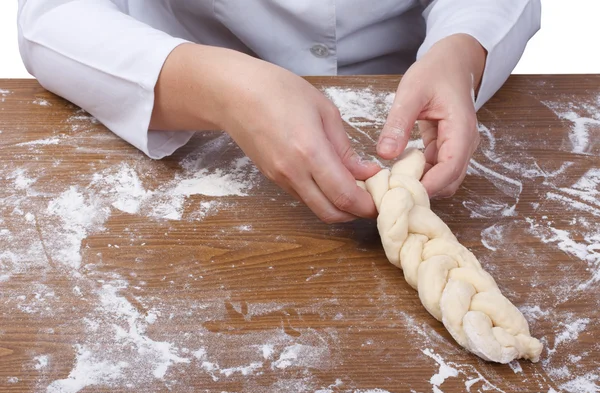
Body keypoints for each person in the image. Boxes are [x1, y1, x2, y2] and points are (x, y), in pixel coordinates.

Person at [17, 0, 541, 223]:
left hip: (410, 86)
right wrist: (220, 88)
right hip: (193, 95)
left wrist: (461, 52)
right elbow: (53, 14)